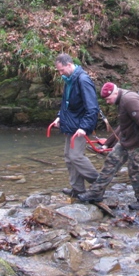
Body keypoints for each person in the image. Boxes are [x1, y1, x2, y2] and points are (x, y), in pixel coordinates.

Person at [79, 83, 139, 211]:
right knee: (110, 162)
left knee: (135, 173)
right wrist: (107, 143)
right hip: (126, 141)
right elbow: (123, 126)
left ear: (115, 93)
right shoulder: (122, 100)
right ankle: (96, 192)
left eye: (108, 99)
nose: (107, 102)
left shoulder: (130, 100)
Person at [51, 53, 99, 197]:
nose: (60, 74)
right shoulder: (69, 80)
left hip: (79, 126)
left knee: (76, 156)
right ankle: (78, 189)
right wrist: (59, 117)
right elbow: (66, 104)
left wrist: (84, 127)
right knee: (68, 156)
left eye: (61, 70)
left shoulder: (83, 80)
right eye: (58, 71)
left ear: (69, 65)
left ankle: (99, 182)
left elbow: (92, 108)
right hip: (70, 125)